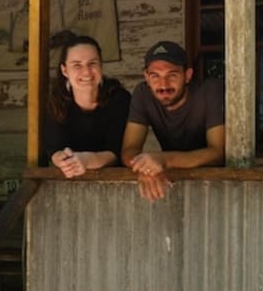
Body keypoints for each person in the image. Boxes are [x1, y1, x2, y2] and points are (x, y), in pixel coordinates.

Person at [121, 40, 225, 201]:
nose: (163, 85)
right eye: (155, 76)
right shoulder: (142, 94)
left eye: (172, 75)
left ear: (187, 75)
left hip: (217, 188)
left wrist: (163, 161)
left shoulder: (210, 91)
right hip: (172, 188)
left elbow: (217, 153)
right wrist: (145, 167)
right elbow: (129, 149)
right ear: (146, 78)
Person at [42, 34, 131, 178]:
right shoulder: (57, 100)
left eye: (92, 63)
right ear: (65, 70)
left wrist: (86, 160)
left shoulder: (119, 99)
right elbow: (55, 149)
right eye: (77, 65)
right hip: (70, 180)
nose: (86, 72)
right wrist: (64, 161)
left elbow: (115, 153)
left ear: (101, 65)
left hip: (114, 181)